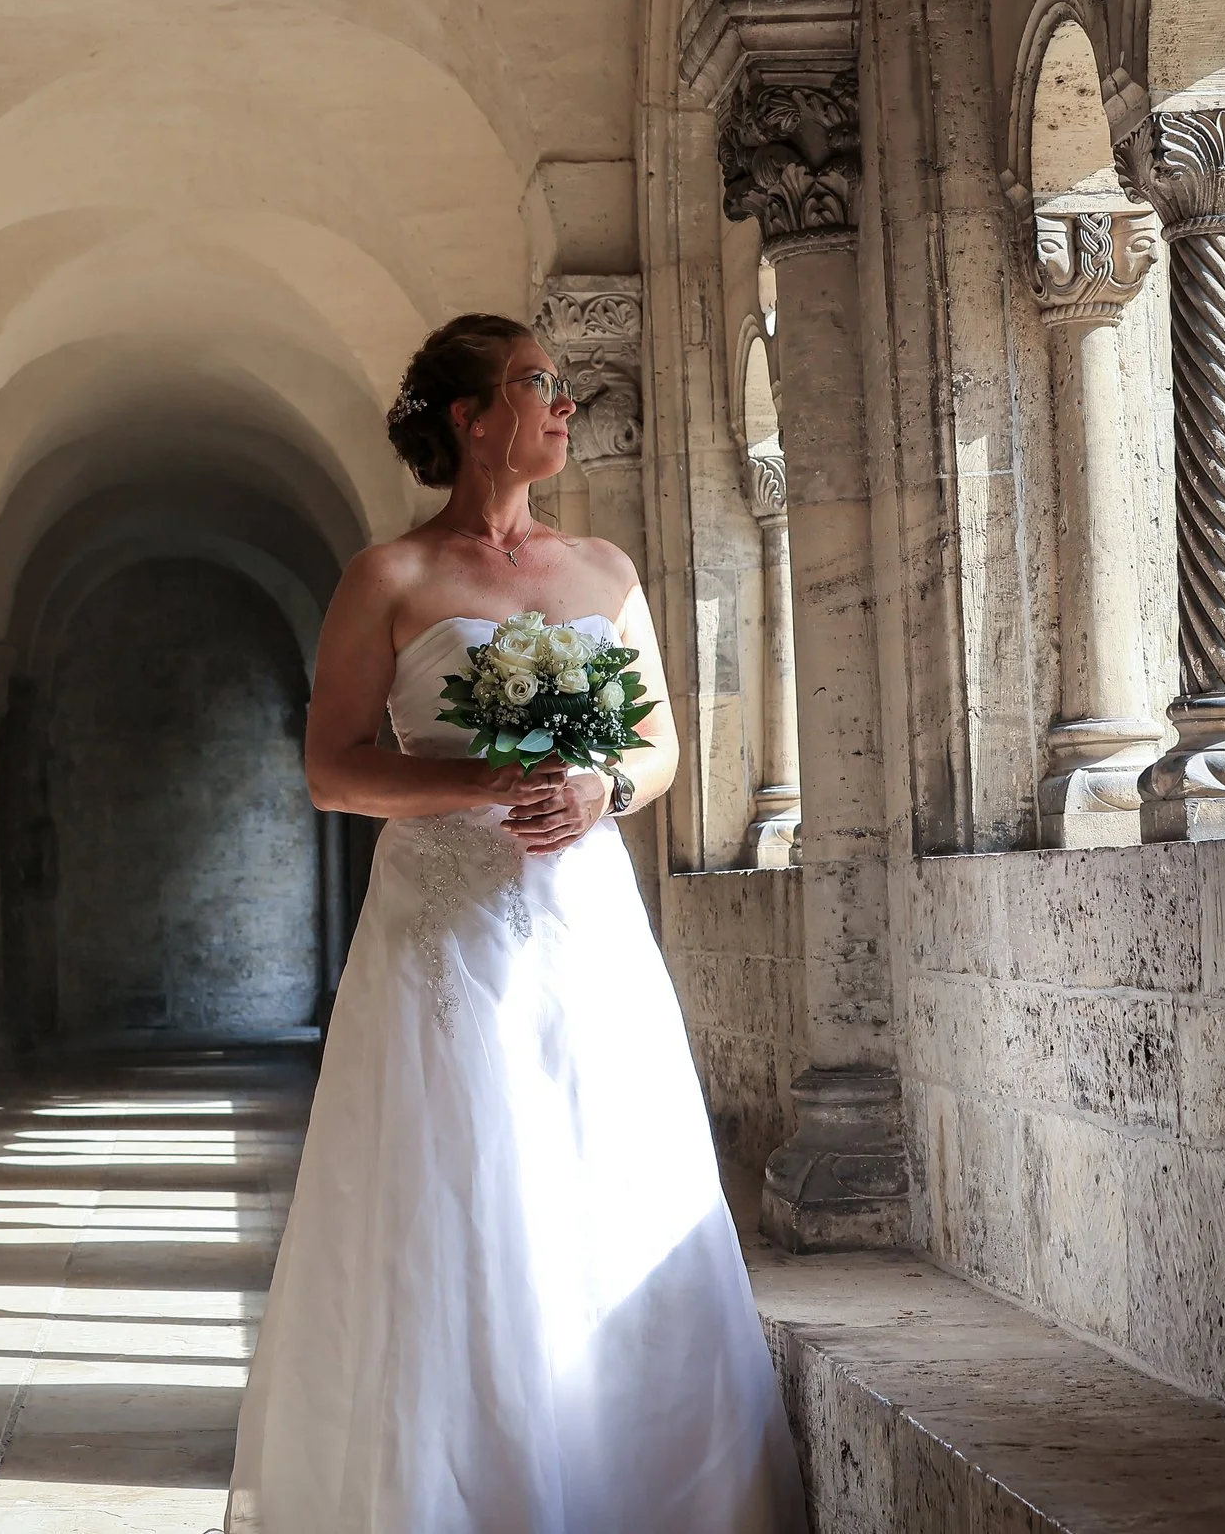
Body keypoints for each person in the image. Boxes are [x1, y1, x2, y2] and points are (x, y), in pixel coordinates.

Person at [225, 314, 805, 1534]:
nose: (563, 404)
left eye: (559, 385)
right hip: (443, 931)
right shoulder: (388, 578)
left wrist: (602, 786)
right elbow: (333, 769)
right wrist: (482, 786)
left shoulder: (604, 572)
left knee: (601, 1175)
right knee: (458, 1198)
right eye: (537, 383)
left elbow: (655, 748)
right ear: (469, 418)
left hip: (583, 918)